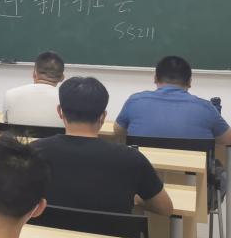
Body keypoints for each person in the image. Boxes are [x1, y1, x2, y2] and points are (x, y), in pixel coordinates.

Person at [33, 77, 173, 215]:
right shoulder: (132, 158)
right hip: (113, 231)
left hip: (44, 230)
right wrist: (135, 199)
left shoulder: (34, 152)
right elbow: (165, 208)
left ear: (59, 111)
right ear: (103, 116)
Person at [116, 55, 231, 144]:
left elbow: (118, 131)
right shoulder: (206, 108)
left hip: (142, 167)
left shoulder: (135, 101)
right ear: (189, 82)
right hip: (189, 169)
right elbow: (227, 140)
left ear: (155, 78)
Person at [2, 51, 65, 126]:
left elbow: (5, 125)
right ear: (62, 78)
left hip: (19, 134)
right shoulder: (67, 99)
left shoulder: (10, 94)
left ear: (34, 74)